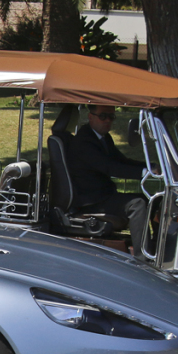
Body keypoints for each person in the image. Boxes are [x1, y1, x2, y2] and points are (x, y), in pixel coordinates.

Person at [68, 106, 150, 257]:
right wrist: (143, 172)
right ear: (90, 116)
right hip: (92, 201)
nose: (107, 121)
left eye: (111, 117)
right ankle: (143, 258)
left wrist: (150, 167)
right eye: (103, 116)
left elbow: (121, 161)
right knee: (138, 204)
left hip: (103, 195)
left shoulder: (103, 137)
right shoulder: (84, 141)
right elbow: (109, 167)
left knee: (152, 200)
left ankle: (158, 249)